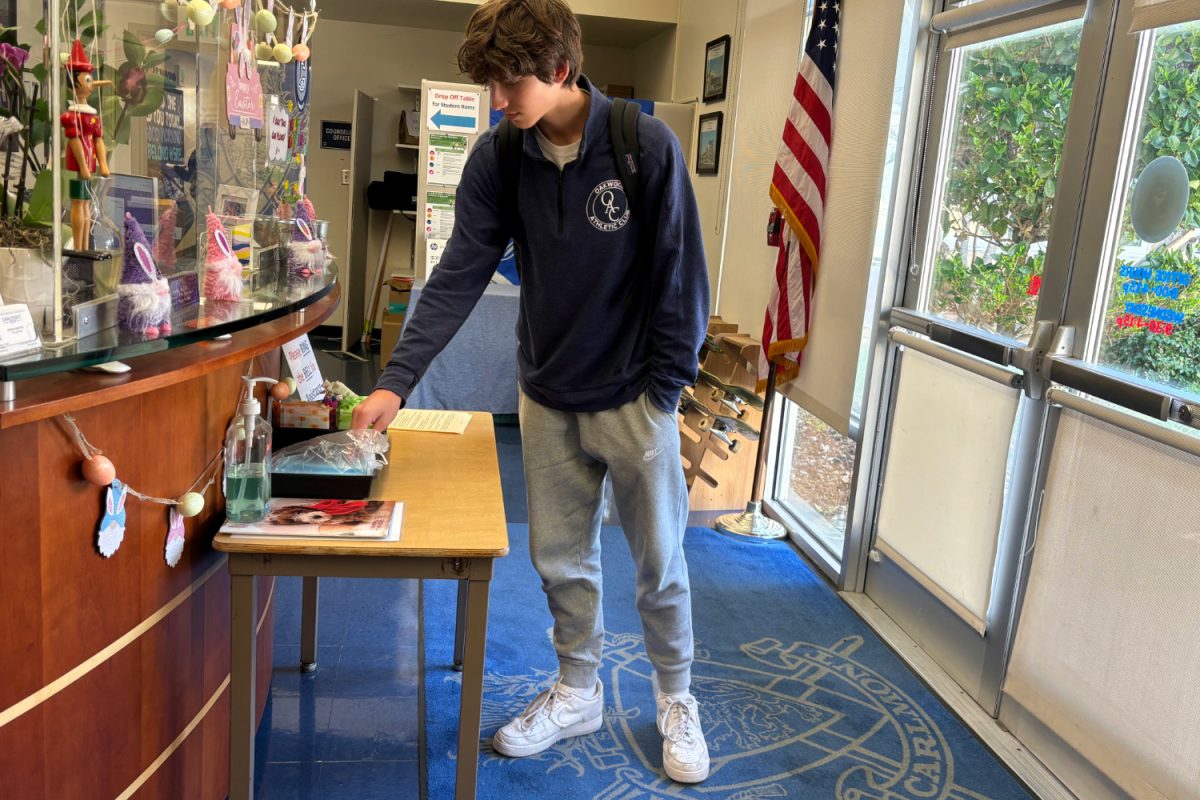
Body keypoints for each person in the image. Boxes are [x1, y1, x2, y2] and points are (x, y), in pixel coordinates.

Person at [351, 0, 710, 784]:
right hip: (548, 394)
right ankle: (578, 689)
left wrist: (665, 395)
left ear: (559, 70)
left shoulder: (642, 146)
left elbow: (682, 277)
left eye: (508, 84)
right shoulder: (499, 157)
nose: (496, 103)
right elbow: (458, 275)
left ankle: (677, 697)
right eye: (489, 87)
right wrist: (395, 384)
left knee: (660, 562)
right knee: (560, 561)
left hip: (634, 399)